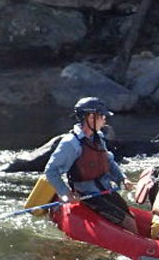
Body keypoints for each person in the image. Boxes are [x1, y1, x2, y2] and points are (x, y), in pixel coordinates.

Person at [44, 97, 137, 234]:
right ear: (91, 117)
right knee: (128, 223)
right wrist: (66, 194)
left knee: (131, 217)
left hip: (105, 190)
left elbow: (109, 162)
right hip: (88, 195)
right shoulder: (71, 143)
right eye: (102, 116)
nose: (105, 120)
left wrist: (122, 179)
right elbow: (51, 171)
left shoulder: (98, 137)